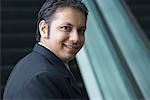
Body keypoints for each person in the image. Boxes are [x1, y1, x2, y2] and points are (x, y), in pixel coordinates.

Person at [3, 0, 88, 99]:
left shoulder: (36, 64)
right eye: (66, 28)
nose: (76, 38)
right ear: (43, 29)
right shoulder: (42, 78)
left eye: (81, 31)